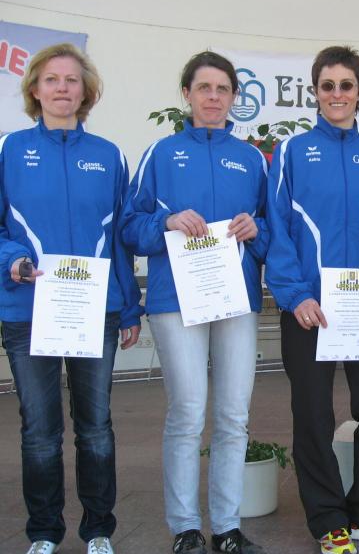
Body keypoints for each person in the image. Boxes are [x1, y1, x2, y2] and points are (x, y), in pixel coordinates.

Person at [120, 51, 268, 554]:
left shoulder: (251, 159)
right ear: (186, 94)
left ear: (234, 97)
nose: (213, 97)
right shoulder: (161, 154)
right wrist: (165, 222)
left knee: (233, 415)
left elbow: (273, 232)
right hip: (174, 301)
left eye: (223, 89)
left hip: (235, 300)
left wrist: (256, 228)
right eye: (204, 87)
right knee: (187, 411)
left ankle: (227, 527)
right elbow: (130, 226)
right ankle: (185, 527)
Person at [265, 45, 359, 554]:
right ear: (315, 92)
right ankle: (329, 520)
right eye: (327, 86)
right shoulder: (291, 151)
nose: (337, 94)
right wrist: (294, 295)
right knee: (313, 416)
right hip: (310, 309)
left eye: (346, 85)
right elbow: (278, 228)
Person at [0, 43, 143, 554]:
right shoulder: (9, 149)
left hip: (95, 311)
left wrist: (130, 307)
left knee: (95, 427)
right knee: (40, 430)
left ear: (87, 92)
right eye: (52, 79)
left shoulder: (109, 155)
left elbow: (122, 237)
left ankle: (99, 530)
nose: (62, 88)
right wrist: (13, 260)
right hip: (27, 309)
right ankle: (43, 533)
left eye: (72, 80)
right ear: (34, 89)